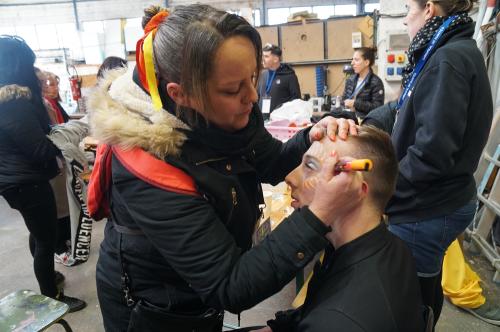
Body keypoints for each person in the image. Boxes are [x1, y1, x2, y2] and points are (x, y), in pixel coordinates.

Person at [88, 4, 356, 331]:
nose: (253, 96)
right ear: (180, 94)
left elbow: (270, 162)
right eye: (232, 89)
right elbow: (227, 286)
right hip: (157, 310)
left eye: (254, 78)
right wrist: (319, 215)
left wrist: (308, 138)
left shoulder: (227, 112)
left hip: (197, 300)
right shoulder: (146, 163)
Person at [360, 0, 492, 324]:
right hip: (441, 195)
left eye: (408, 9)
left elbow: (431, 153)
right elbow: (404, 109)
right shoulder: (445, 53)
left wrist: (383, 189)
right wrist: (364, 123)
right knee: (424, 281)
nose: (405, 20)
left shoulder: (447, 59)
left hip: (428, 203)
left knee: (409, 293)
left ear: (429, 9)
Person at [251, 126, 423, 332]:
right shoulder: (391, 246)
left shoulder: (337, 322)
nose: (289, 177)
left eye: (311, 166)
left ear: (356, 190)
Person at [0, 35, 86, 312]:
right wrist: (67, 136)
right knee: (46, 238)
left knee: (39, 233)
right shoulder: (14, 103)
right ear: (18, 66)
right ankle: (52, 297)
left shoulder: (10, 100)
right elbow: (38, 149)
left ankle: (48, 277)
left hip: (19, 180)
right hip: (26, 182)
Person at [257, 43, 301, 115]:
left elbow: (296, 100)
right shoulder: (263, 75)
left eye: (266, 56)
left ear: (276, 59)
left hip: (280, 121)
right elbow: (257, 97)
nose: (263, 59)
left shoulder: (289, 76)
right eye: (263, 56)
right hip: (262, 120)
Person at [341, 47, 384, 120]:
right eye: (352, 60)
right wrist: (344, 103)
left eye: (356, 60)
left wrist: (355, 104)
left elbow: (377, 107)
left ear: (366, 62)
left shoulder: (376, 82)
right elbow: (344, 99)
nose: (352, 63)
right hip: (348, 118)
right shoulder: (350, 80)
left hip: (365, 121)